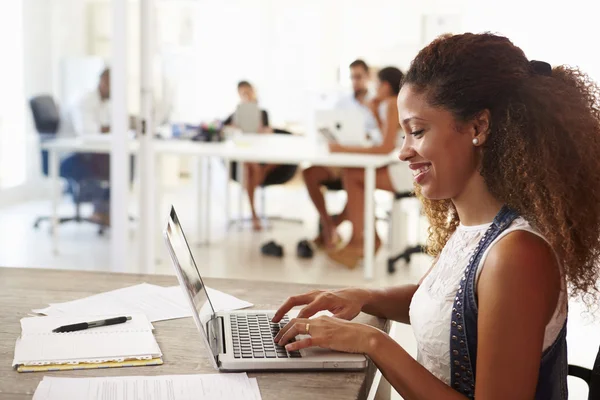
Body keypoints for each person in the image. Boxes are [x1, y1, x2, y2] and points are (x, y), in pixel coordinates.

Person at [271, 33, 600, 399]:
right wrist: (364, 296)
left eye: (417, 132)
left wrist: (374, 342)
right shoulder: (479, 227)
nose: (403, 152)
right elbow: (451, 307)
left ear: (478, 128)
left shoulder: (517, 255)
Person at [324, 66, 405, 268]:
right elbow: (387, 136)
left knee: (354, 175)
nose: (374, 87)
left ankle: (357, 242)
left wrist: (343, 149)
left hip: (405, 173)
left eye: (376, 83)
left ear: (385, 86)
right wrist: (374, 112)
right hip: (399, 166)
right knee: (356, 175)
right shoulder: (390, 104)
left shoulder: (391, 104)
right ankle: (369, 238)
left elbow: (385, 147)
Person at [303, 59, 376, 249]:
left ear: (368, 77)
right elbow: (327, 129)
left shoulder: (377, 102)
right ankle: (328, 226)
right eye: (352, 77)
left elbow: (382, 136)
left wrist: (367, 134)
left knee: (355, 180)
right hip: (339, 159)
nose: (355, 81)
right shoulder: (342, 103)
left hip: (362, 161)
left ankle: (333, 229)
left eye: (359, 77)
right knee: (309, 173)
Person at [223, 81, 277, 231]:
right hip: (245, 155)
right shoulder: (236, 113)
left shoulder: (262, 113)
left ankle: (254, 208)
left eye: (249, 92)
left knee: (253, 167)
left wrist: (265, 130)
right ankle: (254, 213)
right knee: (249, 166)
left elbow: (270, 131)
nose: (247, 96)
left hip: (262, 153)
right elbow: (222, 127)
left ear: (254, 91)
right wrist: (234, 127)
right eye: (243, 93)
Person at [65, 67, 112, 225]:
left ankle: (105, 208)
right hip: (67, 153)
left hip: (86, 150)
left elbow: (106, 126)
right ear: (103, 81)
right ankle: (100, 209)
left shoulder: (104, 102)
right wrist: (109, 128)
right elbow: (87, 131)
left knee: (120, 159)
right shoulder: (86, 99)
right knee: (109, 161)